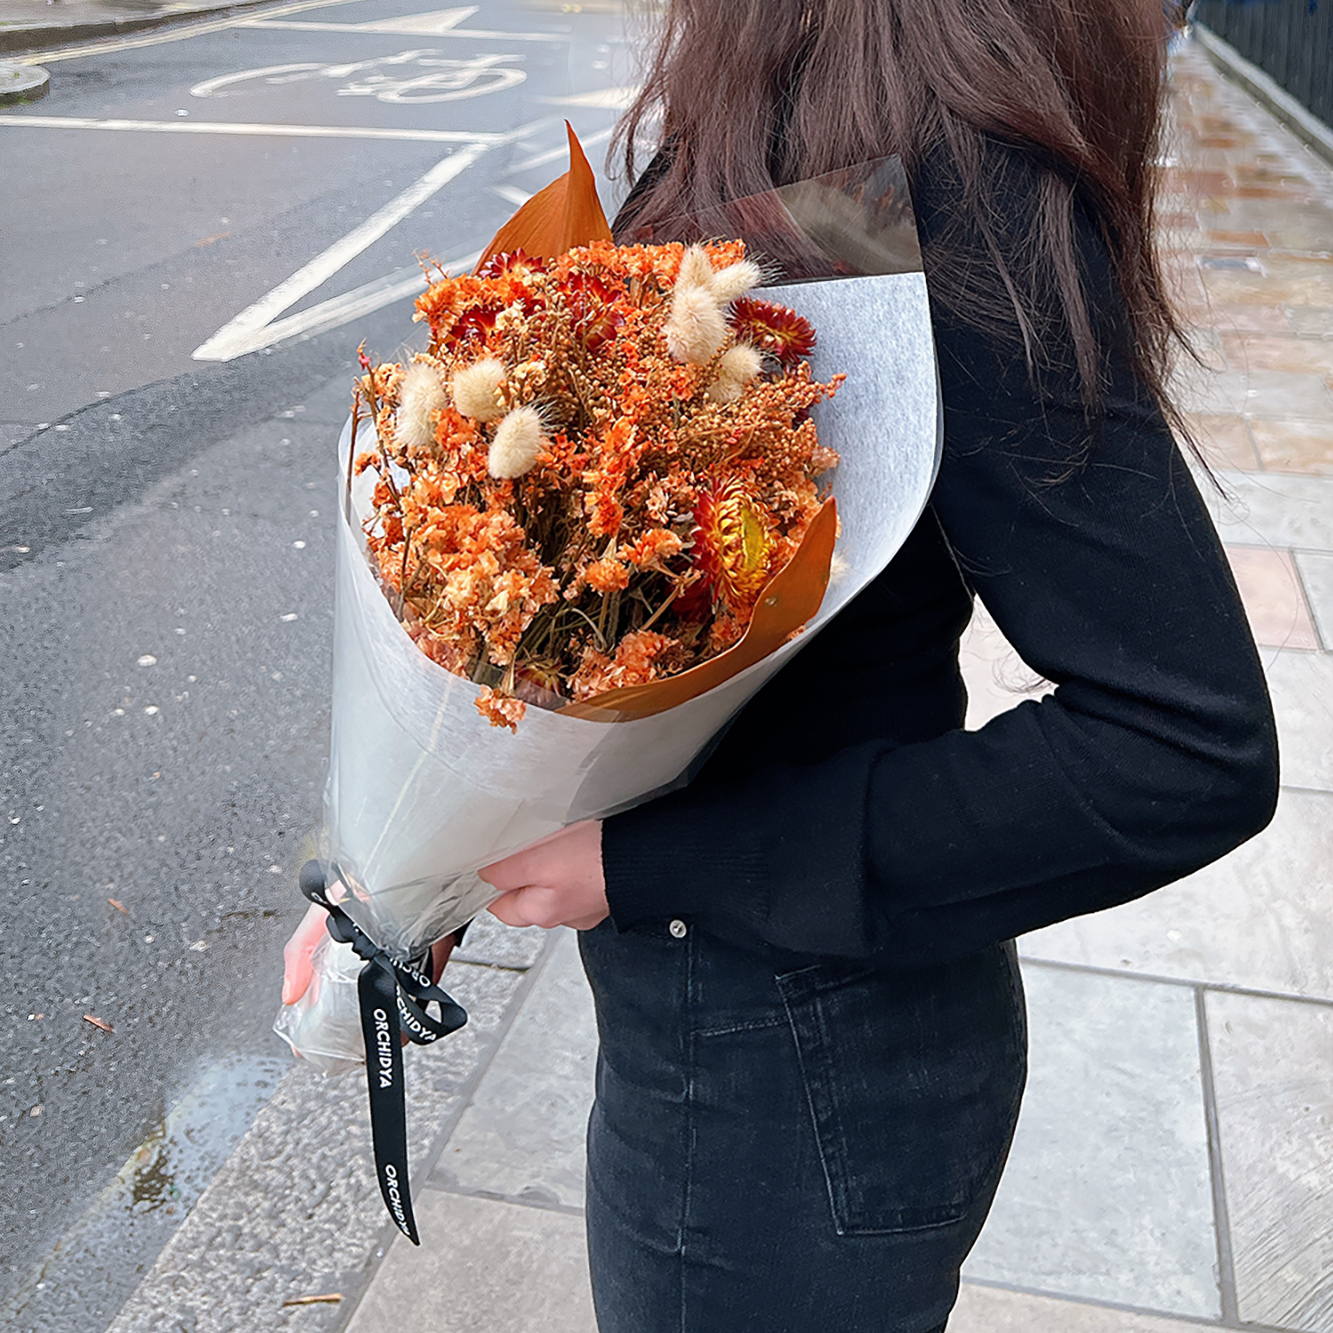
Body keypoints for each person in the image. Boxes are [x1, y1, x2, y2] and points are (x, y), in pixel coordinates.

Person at [286, 2, 1279, 1329]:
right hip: (754, 1044)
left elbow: (1178, 746)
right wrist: (423, 859)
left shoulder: (953, 165)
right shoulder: (801, 104)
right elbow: (614, 558)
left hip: (793, 1076)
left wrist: (649, 866)